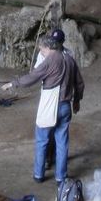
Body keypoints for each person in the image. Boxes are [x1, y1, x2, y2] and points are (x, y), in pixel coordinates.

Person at [2, 36, 84, 183]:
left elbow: (32, 77)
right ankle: (61, 176)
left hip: (50, 106)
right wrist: (77, 100)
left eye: (41, 49)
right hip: (65, 106)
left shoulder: (50, 60)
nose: (41, 52)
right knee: (62, 142)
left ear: (48, 48)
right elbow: (79, 83)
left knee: (42, 140)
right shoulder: (70, 60)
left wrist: (13, 83)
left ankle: (39, 175)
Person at [33, 28, 73, 170]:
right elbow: (37, 71)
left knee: (45, 136)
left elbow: (35, 75)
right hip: (56, 100)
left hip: (54, 100)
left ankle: (44, 166)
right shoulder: (47, 54)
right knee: (58, 137)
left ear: (62, 42)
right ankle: (56, 169)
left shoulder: (66, 54)